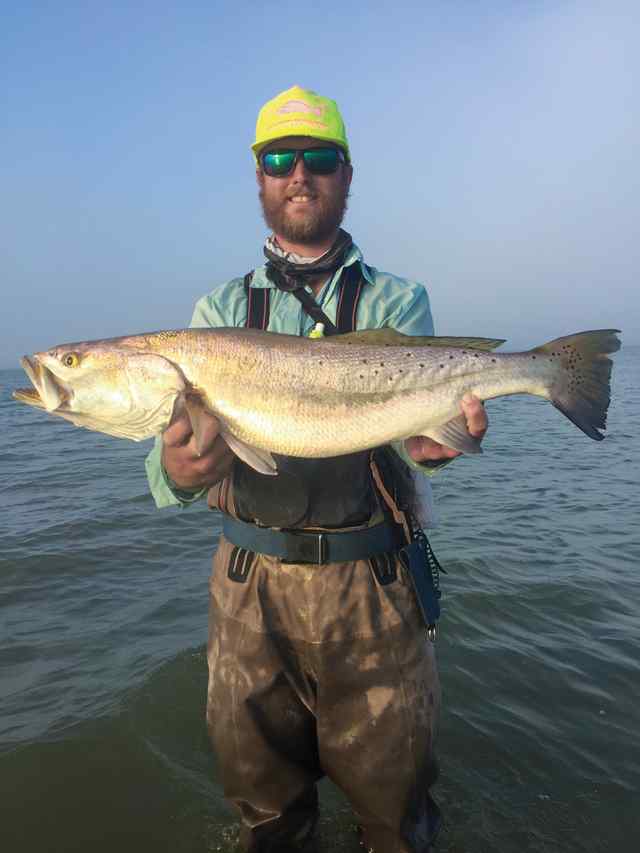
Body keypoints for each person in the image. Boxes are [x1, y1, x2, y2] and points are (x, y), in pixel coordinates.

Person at [145, 86, 488, 853]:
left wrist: (435, 444)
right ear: (260, 178)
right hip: (247, 589)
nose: (299, 174)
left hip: (373, 586)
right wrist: (176, 469)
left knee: (396, 819)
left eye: (319, 157)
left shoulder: (398, 299)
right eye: (279, 159)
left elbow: (418, 436)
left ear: (346, 174)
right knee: (267, 818)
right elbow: (172, 456)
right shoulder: (217, 314)